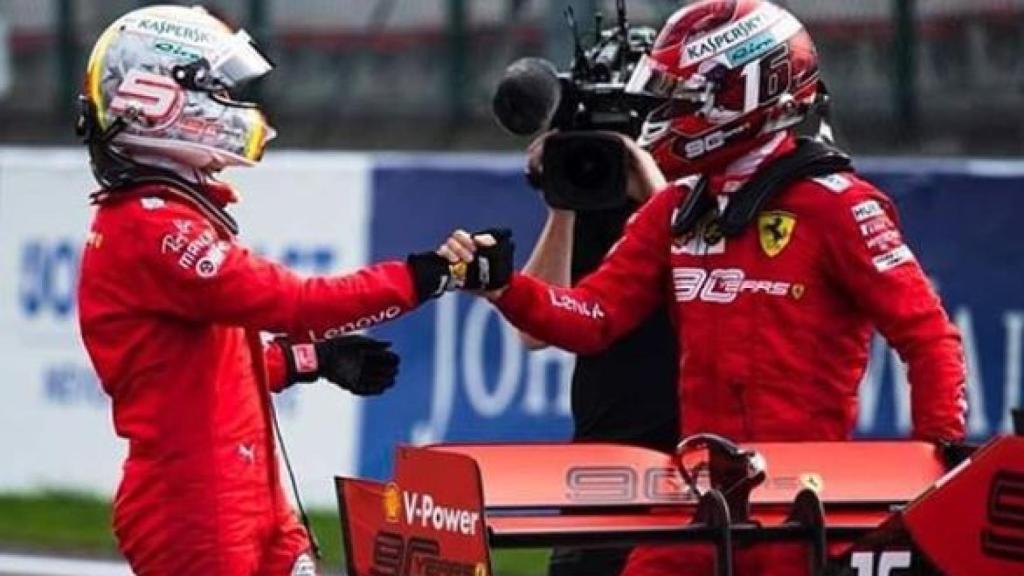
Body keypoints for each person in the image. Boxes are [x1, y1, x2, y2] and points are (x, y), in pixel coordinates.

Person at [437, 1, 967, 574]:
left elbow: (929, 338)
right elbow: (593, 318)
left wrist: (931, 475)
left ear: (744, 94)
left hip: (804, 509)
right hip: (699, 501)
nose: (667, 111)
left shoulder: (838, 205)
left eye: (685, 96)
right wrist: (504, 288)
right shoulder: (678, 207)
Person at [76, 6, 495, 575]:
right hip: (193, 505)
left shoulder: (166, 216)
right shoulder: (149, 227)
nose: (231, 101)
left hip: (247, 493)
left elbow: (208, 371)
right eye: (215, 87)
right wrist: (430, 274)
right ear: (157, 99)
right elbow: (297, 304)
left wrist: (310, 360)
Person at [519, 133, 679, 576]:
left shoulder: (707, 208)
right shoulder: (600, 205)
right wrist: (562, 200)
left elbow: (698, 274)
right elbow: (532, 333)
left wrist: (649, 181)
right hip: (603, 452)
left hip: (684, 451)